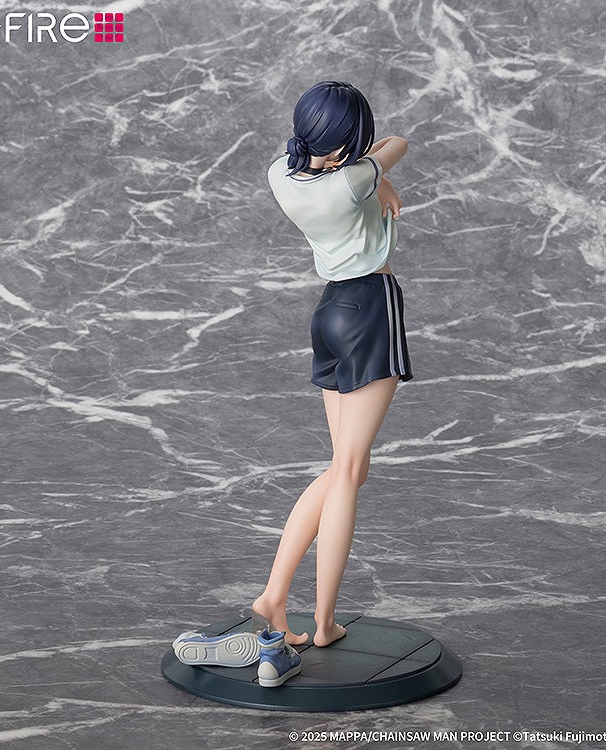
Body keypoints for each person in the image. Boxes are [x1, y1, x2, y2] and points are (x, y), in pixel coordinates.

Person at [251, 80, 414, 649]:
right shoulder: (352, 179)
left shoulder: (281, 173)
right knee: (347, 472)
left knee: (347, 467)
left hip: (329, 314)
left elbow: (359, 165)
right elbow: (398, 142)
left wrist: (371, 175)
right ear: (347, 144)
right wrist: (378, 173)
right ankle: (323, 623)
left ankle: (274, 596)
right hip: (370, 308)